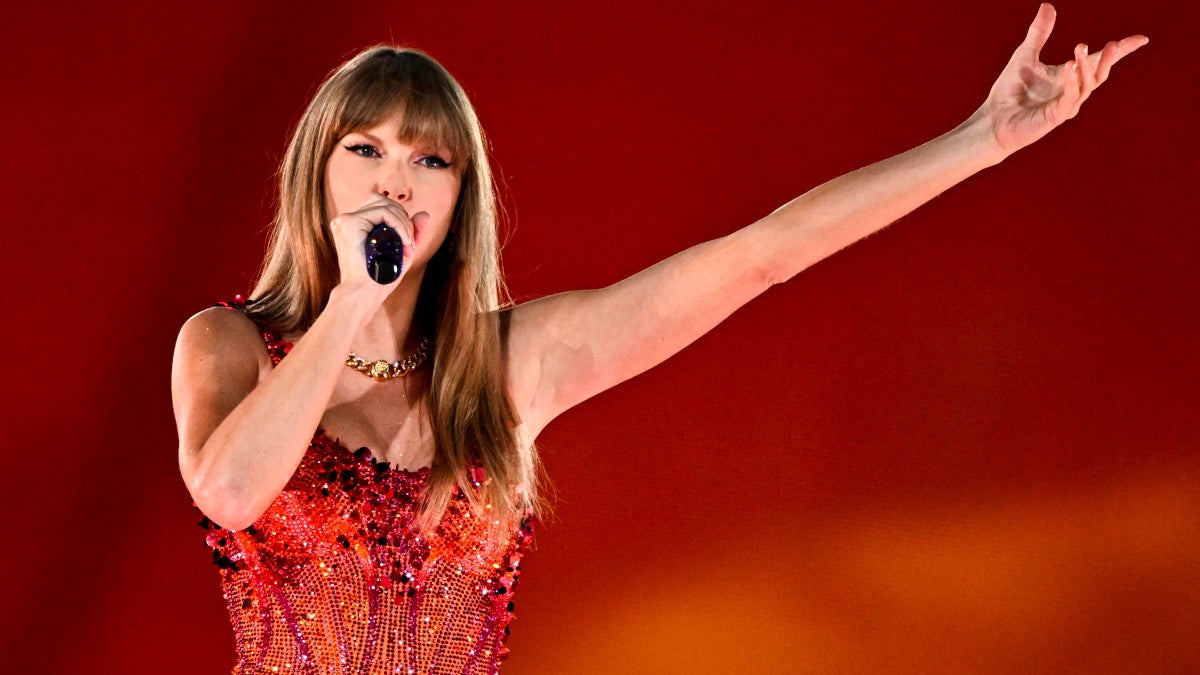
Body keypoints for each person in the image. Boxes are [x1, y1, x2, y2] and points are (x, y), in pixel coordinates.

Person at [170, 4, 1145, 673]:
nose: (396, 179)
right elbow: (231, 490)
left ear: (459, 198)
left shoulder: (511, 364)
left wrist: (981, 139)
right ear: (316, 172)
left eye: (430, 160)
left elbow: (761, 255)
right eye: (367, 149)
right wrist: (350, 301)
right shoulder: (229, 345)